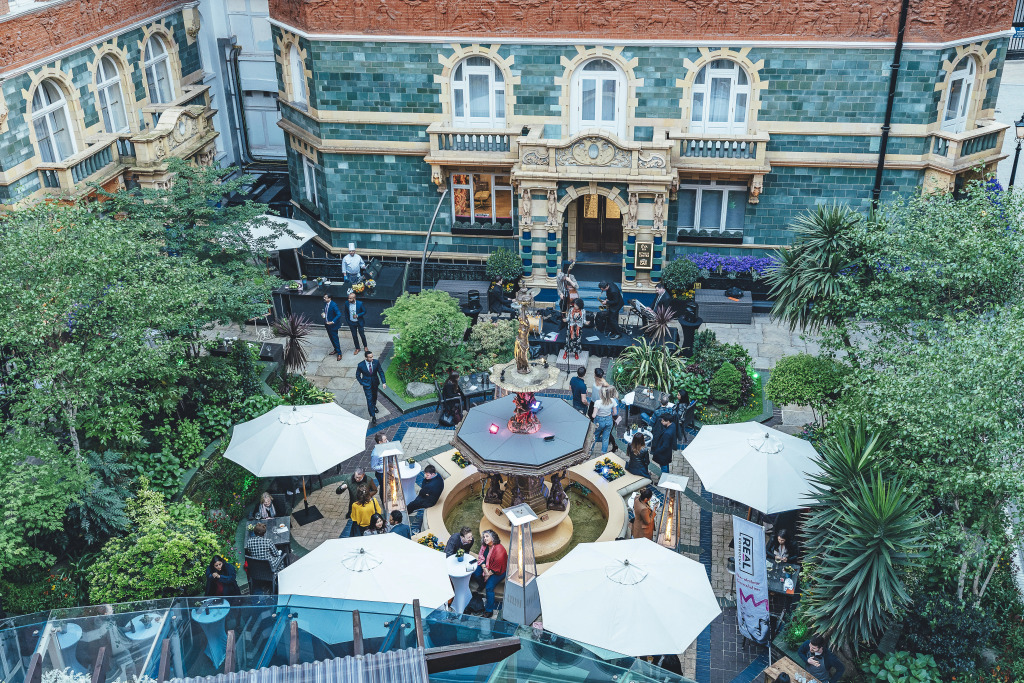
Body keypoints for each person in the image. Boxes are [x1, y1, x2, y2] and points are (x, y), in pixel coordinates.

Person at [470, 530, 508, 617]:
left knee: (489, 588)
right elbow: (481, 557)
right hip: (487, 566)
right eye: (484, 537)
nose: (485, 538)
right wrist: (484, 569)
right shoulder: (485, 546)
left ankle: (489, 611)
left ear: (493, 537)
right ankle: (481, 584)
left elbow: (496, 568)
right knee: (476, 573)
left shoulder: (499, 550)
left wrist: (487, 574)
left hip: (498, 571)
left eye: (487, 536)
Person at [356, 350, 386, 425]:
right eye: (370, 357)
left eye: (372, 356)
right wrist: (362, 382)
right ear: (366, 357)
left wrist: (383, 382)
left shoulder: (376, 362)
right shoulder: (361, 365)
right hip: (367, 384)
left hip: (375, 383)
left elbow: (381, 372)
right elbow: (357, 375)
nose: (372, 358)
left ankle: (374, 406)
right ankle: (373, 416)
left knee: (374, 396)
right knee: (369, 399)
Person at [590, 385, 620, 455]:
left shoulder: (597, 402)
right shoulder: (613, 400)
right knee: (606, 438)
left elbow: (593, 415)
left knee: (595, 436)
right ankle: (603, 453)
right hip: (609, 420)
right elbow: (615, 413)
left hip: (599, 421)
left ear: (601, 394)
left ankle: (590, 451)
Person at [344, 291, 369, 355]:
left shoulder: (360, 303)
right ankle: (357, 348)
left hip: (359, 322)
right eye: (348, 298)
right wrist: (348, 321)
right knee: (354, 335)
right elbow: (346, 313)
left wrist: (358, 315)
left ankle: (365, 346)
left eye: (350, 298)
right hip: (351, 322)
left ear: (354, 298)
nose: (349, 299)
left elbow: (364, 311)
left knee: (362, 335)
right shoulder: (346, 303)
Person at [321, 292, 343, 361]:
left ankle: (339, 353)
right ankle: (335, 349)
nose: (324, 298)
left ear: (329, 298)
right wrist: (324, 314)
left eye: (325, 297)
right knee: (331, 338)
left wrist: (332, 321)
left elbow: (339, 314)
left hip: (333, 325)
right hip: (327, 324)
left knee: (335, 339)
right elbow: (327, 312)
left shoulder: (334, 305)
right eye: (324, 297)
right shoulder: (326, 303)